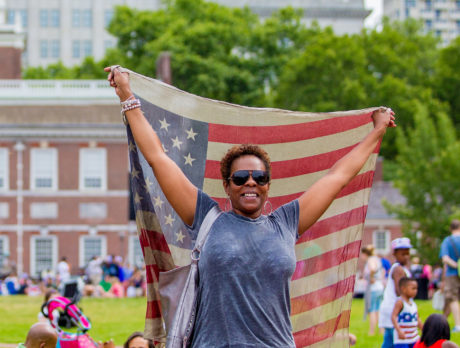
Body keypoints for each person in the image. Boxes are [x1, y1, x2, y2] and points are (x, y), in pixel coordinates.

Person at [105, 65, 396, 347]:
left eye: (260, 177)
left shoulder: (286, 222)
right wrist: (128, 98)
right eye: (241, 177)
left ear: (268, 185)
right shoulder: (206, 216)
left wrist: (377, 132)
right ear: (227, 185)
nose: (251, 183)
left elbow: (338, 177)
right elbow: (158, 158)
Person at [379, 237, 413, 348]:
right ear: (395, 254)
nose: (406, 257)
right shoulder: (398, 269)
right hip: (393, 309)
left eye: (407, 254)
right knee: (394, 340)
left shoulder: (402, 268)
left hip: (395, 308)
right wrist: (411, 291)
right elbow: (399, 291)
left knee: (390, 341)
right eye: (403, 254)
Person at [439, 219, 460, 332]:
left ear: (451, 228)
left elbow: (445, 258)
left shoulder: (448, 240)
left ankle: (458, 325)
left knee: (452, 298)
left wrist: (456, 265)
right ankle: (442, 322)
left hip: (452, 273)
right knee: (450, 300)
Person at [391, 278, 423, 348]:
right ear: (403, 289)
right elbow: (393, 317)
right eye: (413, 288)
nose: (415, 291)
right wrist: (399, 331)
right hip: (402, 339)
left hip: (414, 338)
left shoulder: (413, 304)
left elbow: (417, 319)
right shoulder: (400, 302)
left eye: (416, 289)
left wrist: (424, 329)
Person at [361, 244, 385, 335]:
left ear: (365, 254)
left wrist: (371, 277)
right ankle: (381, 330)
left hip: (373, 289)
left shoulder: (370, 260)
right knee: (378, 310)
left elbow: (372, 269)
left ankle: (371, 332)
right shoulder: (377, 259)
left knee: (371, 310)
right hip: (380, 287)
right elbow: (382, 271)